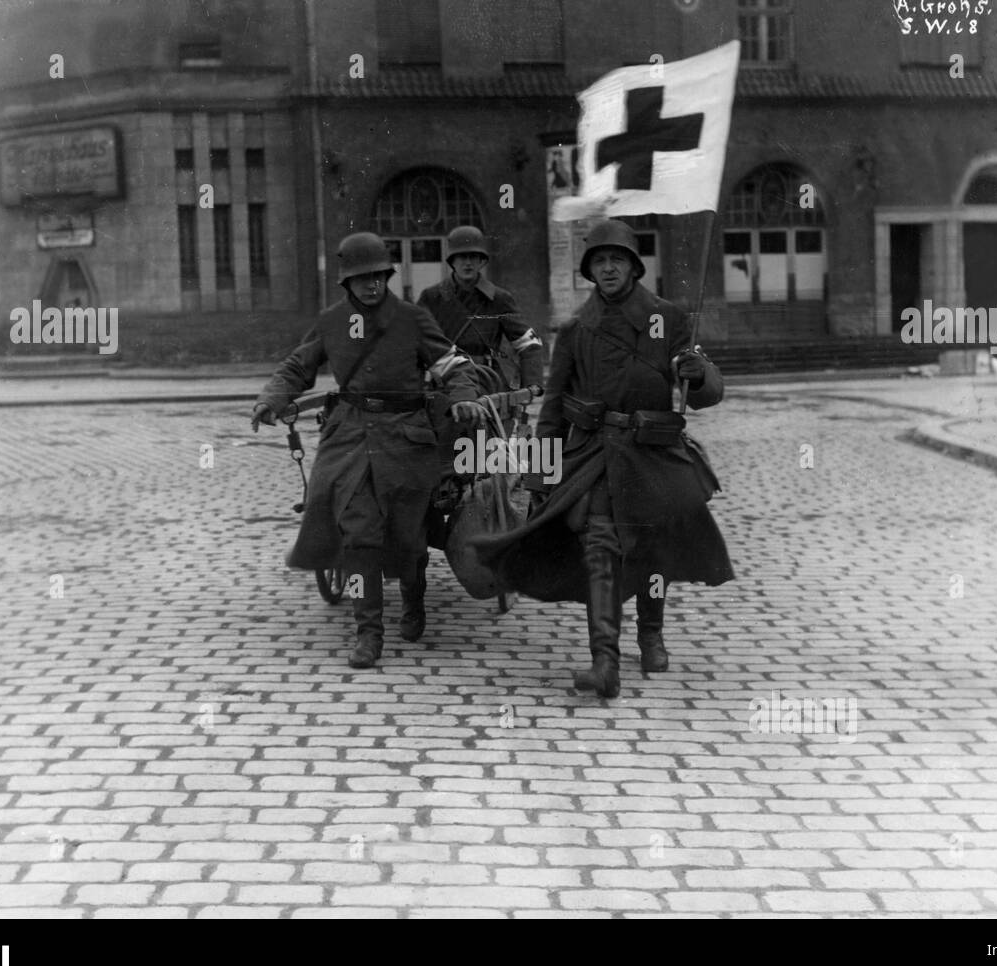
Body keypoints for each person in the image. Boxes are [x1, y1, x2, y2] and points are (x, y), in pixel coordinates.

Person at [469, 219, 735, 699]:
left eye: (616, 260)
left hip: (652, 452)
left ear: (634, 266)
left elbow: (703, 394)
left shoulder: (669, 319)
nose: (608, 268)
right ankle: (604, 661)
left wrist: (700, 372)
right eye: (599, 261)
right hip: (593, 456)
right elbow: (552, 409)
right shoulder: (575, 331)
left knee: (654, 550)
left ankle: (650, 633)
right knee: (599, 550)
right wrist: (540, 478)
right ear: (590, 271)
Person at [251, 232, 486, 668]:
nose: (372, 285)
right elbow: (298, 366)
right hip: (351, 436)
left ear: (387, 276)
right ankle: (368, 631)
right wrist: (272, 397)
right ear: (347, 282)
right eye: (362, 278)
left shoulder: (413, 319)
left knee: (410, 537)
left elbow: (452, 365)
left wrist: (464, 396)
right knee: (358, 536)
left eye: (378, 276)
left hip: (407, 437)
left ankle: (414, 603)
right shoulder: (330, 322)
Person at [417, 226, 545, 404]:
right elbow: (417, 341)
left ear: (481, 261)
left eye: (473, 257)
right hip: (446, 383)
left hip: (488, 382)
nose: (467, 263)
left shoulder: (499, 299)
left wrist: (532, 383)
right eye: (462, 257)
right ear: (452, 261)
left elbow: (529, 343)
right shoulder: (432, 297)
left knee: (486, 432)